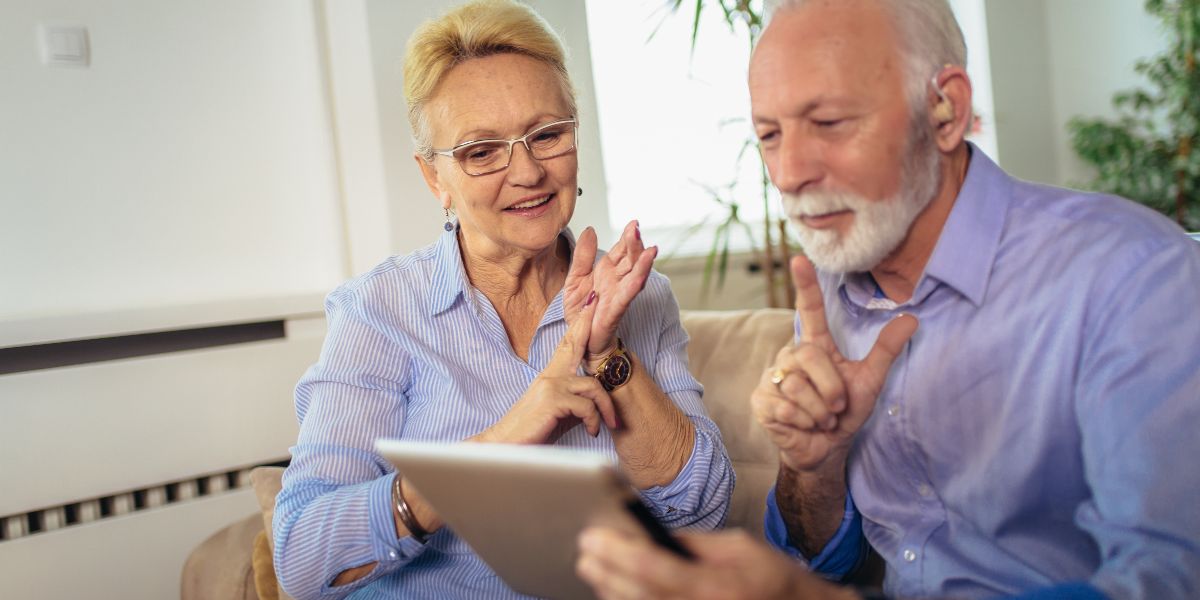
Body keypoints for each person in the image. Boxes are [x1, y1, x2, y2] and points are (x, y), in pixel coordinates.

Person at [576, 0, 1200, 598]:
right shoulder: (831, 275)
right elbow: (824, 559)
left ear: (946, 110)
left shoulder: (1130, 272)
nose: (790, 172)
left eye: (829, 123)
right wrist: (812, 467)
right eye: (769, 134)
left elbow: (1173, 578)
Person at [271, 1, 734, 598]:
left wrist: (606, 354)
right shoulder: (380, 310)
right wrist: (502, 443)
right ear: (435, 179)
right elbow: (302, 556)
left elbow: (703, 513)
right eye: (481, 151)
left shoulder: (638, 298)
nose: (527, 172)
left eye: (546, 135)